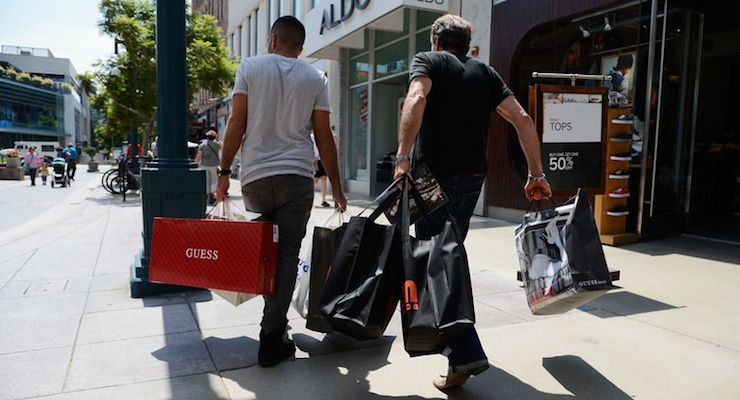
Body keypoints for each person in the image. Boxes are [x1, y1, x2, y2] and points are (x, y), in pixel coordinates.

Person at [393, 14, 552, 391]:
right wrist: (536, 175)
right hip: (471, 180)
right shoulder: (486, 73)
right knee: (447, 258)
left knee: (437, 264)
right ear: (467, 43)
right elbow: (524, 120)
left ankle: (464, 352)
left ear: (436, 40)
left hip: (432, 181)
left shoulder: (428, 61)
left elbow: (416, 97)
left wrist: (402, 157)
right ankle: (461, 351)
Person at [216, 16, 347, 368]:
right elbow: (324, 137)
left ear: (272, 40)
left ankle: (274, 327)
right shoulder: (315, 78)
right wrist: (336, 185)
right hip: (296, 178)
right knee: (287, 254)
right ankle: (272, 335)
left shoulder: (250, 67)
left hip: (256, 178)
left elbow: (236, 123)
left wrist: (223, 173)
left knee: (265, 253)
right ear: (300, 48)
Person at [310, 129, 337, 207]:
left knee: (324, 179)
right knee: (315, 181)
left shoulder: (323, 136)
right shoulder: (311, 137)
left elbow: (334, 138)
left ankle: (323, 200)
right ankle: (310, 198)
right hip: (315, 160)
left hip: (322, 160)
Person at [195, 130, 221, 205]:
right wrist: (218, 139)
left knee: (207, 180)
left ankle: (208, 194)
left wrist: (196, 163)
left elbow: (199, 156)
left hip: (204, 164)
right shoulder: (217, 145)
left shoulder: (202, 145)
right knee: (214, 180)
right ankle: (212, 193)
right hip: (214, 164)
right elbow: (223, 147)